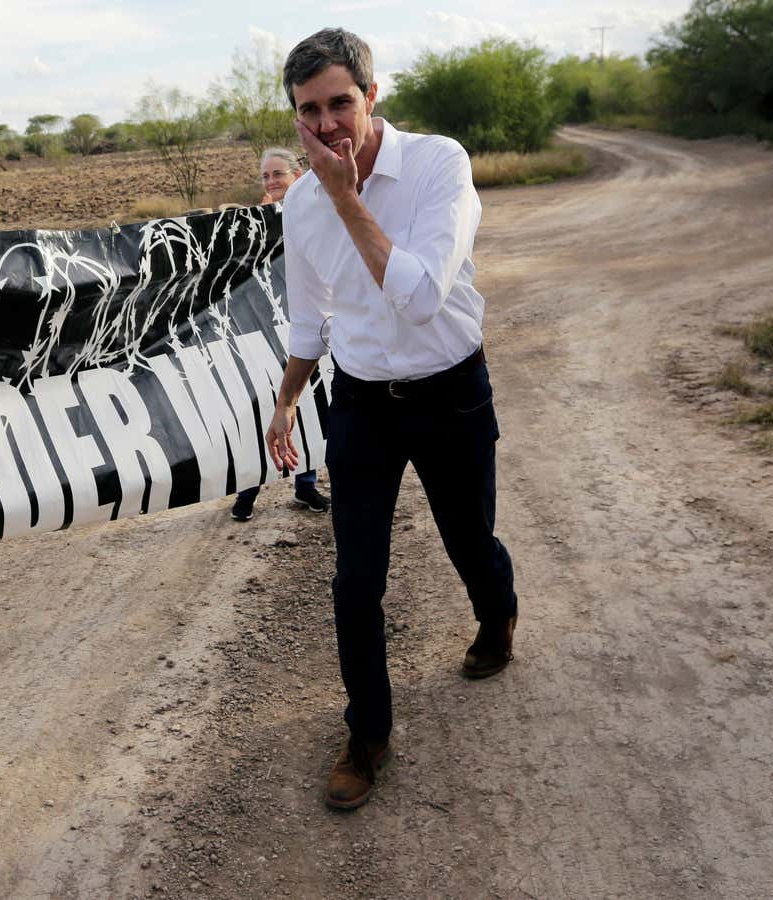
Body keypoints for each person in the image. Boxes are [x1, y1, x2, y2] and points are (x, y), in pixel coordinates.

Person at [263, 29, 519, 811]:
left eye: (341, 102)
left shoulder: (440, 164)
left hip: (450, 390)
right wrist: (287, 397)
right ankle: (367, 734)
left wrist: (347, 198)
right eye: (310, 111)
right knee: (354, 580)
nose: (328, 124)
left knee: (467, 536)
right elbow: (310, 319)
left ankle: (497, 613)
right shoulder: (300, 206)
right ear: (296, 118)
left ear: (372, 96)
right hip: (365, 404)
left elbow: (418, 297)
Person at [231, 147, 330, 521]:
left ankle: (306, 487)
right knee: (258, 407)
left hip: (305, 325)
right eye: (266, 176)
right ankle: (247, 491)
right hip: (261, 330)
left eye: (279, 174)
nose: (272, 182)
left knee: (306, 407)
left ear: (298, 176)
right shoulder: (252, 224)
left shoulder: (317, 212)